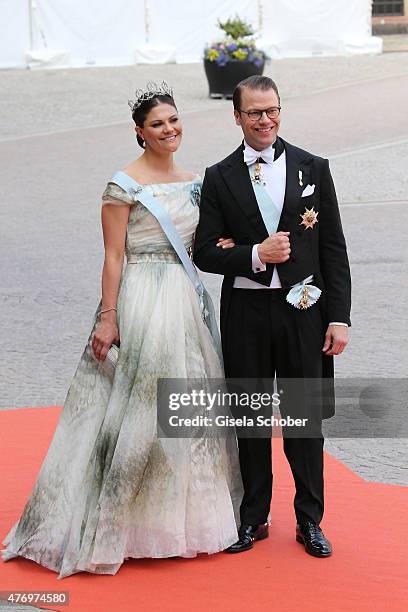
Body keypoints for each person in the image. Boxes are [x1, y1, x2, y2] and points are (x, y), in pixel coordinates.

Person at [2, 82, 242, 578]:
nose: (168, 129)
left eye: (173, 120)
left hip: (185, 299)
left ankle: (181, 523)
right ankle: (119, 525)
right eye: (157, 124)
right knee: (140, 412)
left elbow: (205, 245)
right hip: (143, 296)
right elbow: (113, 257)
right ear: (139, 132)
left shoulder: (197, 181)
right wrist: (108, 315)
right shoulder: (122, 186)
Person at [194, 75, 351, 557]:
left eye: (272, 110)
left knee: (306, 420)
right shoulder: (219, 176)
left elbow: (332, 248)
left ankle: (310, 521)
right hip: (246, 312)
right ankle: (253, 518)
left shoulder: (313, 168)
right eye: (255, 112)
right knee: (252, 417)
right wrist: (255, 254)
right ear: (237, 116)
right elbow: (204, 251)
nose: (266, 120)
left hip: (305, 312)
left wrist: (339, 317)